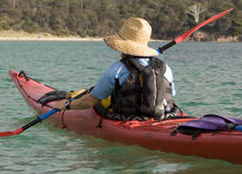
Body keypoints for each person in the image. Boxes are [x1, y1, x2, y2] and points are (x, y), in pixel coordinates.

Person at [48, 17, 176, 120]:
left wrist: (67, 105)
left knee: (99, 100)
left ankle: (73, 97)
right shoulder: (166, 68)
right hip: (162, 117)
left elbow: (90, 101)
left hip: (126, 118)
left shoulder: (117, 69)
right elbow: (170, 94)